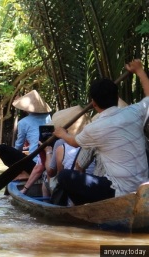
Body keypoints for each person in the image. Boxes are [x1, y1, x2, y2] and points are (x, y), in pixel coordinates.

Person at [53, 59, 149, 205]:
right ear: (117, 98)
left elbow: (73, 142)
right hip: (144, 188)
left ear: (94, 104)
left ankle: (85, 209)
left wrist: (61, 134)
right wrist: (140, 71)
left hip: (119, 191)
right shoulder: (135, 112)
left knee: (64, 177)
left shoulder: (94, 128)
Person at [20, 106, 90, 194]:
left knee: (46, 175)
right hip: (89, 184)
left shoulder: (60, 143)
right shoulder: (93, 141)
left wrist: (48, 151)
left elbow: (51, 172)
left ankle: (48, 201)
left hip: (71, 185)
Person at [0, 89, 51, 176]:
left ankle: (22, 173)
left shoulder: (23, 122)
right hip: (49, 161)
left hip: (35, 165)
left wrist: (15, 156)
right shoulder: (48, 117)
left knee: (2, 148)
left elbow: (19, 145)